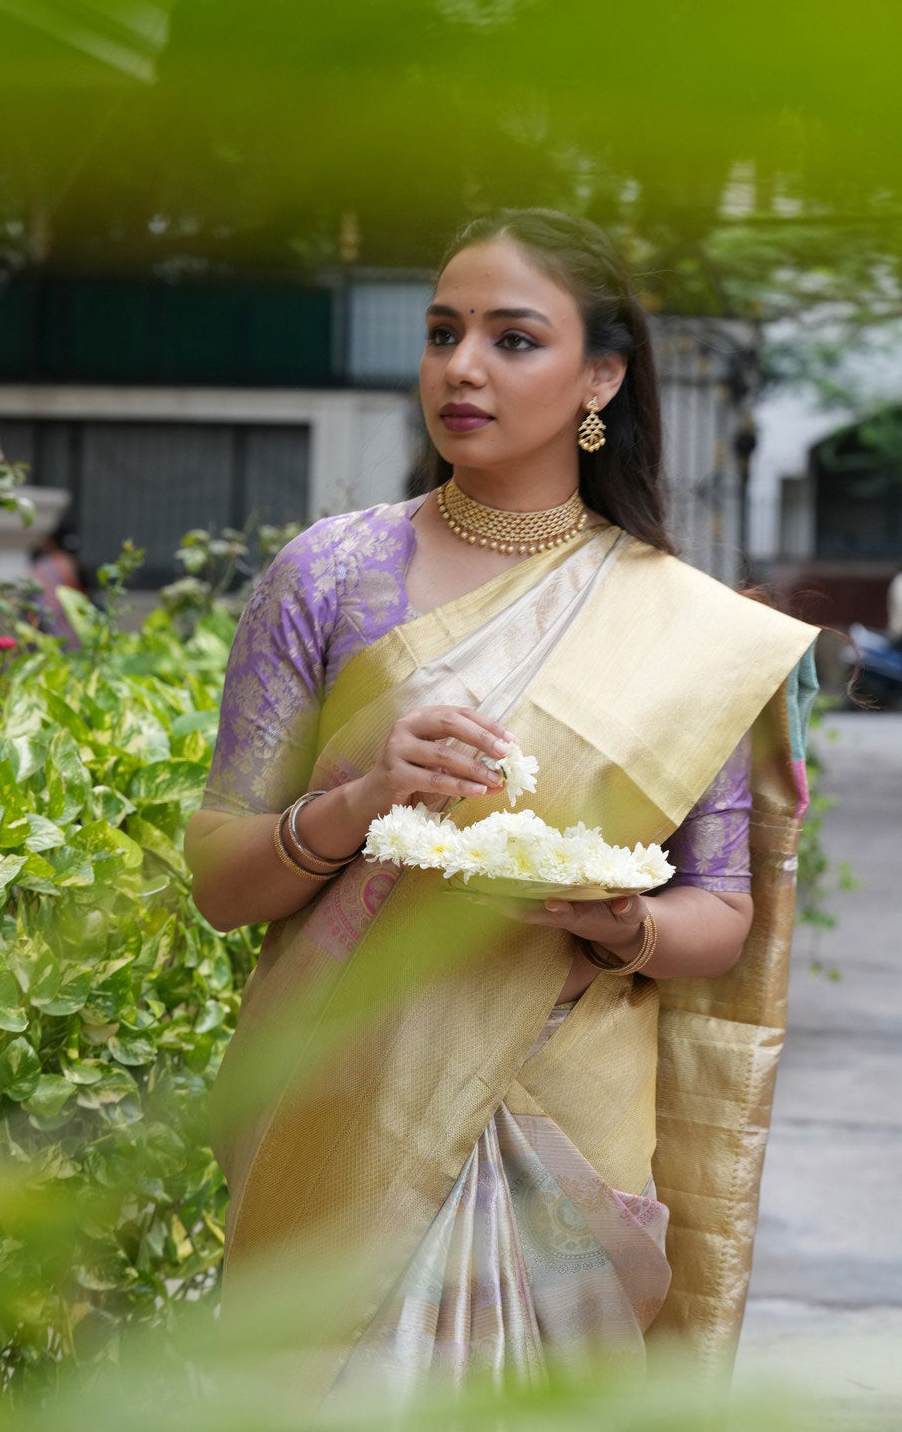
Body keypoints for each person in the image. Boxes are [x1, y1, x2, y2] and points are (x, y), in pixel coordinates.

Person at [183, 209, 819, 1410]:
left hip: (564, 1109)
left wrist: (621, 923)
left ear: (601, 376)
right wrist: (360, 802)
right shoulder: (328, 576)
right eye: (441, 333)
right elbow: (220, 879)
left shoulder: (685, 631)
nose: (461, 367)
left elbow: (719, 916)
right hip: (336, 1099)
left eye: (511, 339)